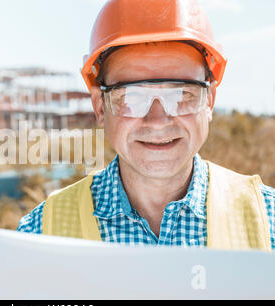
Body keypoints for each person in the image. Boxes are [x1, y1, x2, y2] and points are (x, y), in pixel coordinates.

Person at [17, 0, 275, 251]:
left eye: (181, 94)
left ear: (209, 101)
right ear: (99, 107)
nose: (158, 120)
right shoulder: (38, 235)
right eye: (131, 97)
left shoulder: (269, 222)